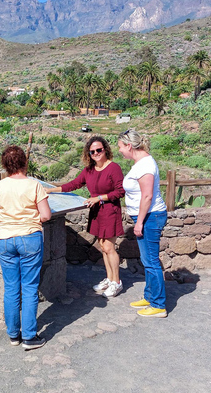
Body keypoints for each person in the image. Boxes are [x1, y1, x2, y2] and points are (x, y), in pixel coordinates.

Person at [45, 136, 125, 298]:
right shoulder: (89, 170)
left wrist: (99, 198)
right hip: (97, 213)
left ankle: (117, 282)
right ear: (88, 153)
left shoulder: (114, 168)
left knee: (109, 248)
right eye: (92, 151)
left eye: (99, 150)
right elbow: (73, 184)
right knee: (103, 247)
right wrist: (50, 190)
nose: (96, 153)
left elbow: (120, 191)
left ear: (105, 150)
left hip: (110, 211)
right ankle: (109, 279)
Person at [0, 146, 52, 350]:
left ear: (5, 165)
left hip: (6, 239)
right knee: (30, 287)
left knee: (11, 288)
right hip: (29, 238)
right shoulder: (34, 186)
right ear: (25, 162)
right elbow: (46, 215)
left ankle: (13, 334)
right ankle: (30, 336)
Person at [117, 129, 168, 318]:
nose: (120, 151)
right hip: (147, 216)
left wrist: (139, 223)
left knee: (151, 261)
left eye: (121, 147)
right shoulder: (141, 163)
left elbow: (147, 196)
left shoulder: (145, 165)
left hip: (150, 217)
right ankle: (150, 296)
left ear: (129, 146)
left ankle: (158, 305)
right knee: (147, 261)